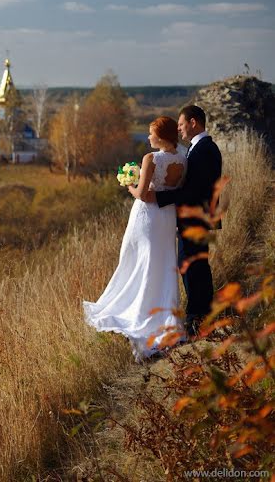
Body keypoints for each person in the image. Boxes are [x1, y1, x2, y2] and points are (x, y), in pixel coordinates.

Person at [83, 116, 187, 361]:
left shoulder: (151, 158)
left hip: (147, 217)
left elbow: (142, 194)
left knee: (134, 259)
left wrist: (128, 183)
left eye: (151, 134)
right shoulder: (183, 158)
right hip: (167, 217)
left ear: (160, 137)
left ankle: (134, 309)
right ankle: (161, 311)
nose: (148, 137)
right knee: (161, 262)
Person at [133, 105, 222, 337]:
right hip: (191, 216)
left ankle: (197, 318)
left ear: (194, 123)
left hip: (196, 216)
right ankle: (202, 315)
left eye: (182, 125)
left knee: (192, 267)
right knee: (195, 266)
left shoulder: (205, 150)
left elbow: (194, 190)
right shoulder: (194, 150)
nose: (180, 130)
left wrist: (159, 197)